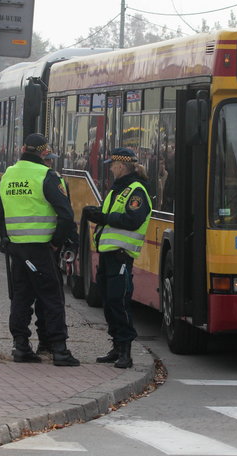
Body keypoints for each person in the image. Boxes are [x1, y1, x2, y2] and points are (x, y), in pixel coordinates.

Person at [0, 133, 79, 367]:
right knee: (52, 297)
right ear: (43, 152)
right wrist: (56, 242)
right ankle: (59, 350)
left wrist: (7, 240)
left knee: (21, 297)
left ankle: (21, 346)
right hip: (41, 249)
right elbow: (66, 215)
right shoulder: (46, 175)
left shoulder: (8, 174)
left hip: (18, 251)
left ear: (23, 149)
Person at [83, 147, 153, 369]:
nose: (111, 169)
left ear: (121, 166)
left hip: (121, 255)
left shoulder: (137, 190)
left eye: (112, 165)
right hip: (108, 254)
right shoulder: (117, 190)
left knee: (119, 301)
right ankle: (116, 346)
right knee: (108, 301)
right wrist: (97, 213)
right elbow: (111, 216)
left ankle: (126, 351)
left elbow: (132, 220)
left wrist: (102, 216)